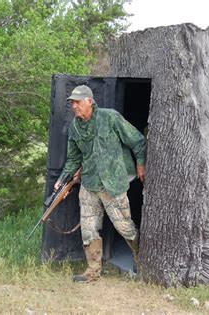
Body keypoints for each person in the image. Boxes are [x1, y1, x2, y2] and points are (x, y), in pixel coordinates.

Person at [55, 85, 147, 283]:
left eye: (78, 102)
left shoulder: (110, 117)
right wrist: (62, 179)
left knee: (124, 226)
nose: (74, 106)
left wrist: (141, 164)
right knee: (88, 228)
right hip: (89, 183)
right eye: (72, 103)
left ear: (90, 101)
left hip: (113, 184)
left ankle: (143, 261)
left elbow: (137, 141)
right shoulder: (74, 127)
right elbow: (73, 158)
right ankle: (93, 271)